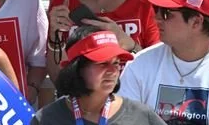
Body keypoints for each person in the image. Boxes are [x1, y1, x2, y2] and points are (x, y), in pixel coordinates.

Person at [34, 26, 163, 125]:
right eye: (102, 63)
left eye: (116, 63)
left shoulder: (141, 116)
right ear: (77, 68)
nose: (112, 71)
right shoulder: (47, 118)